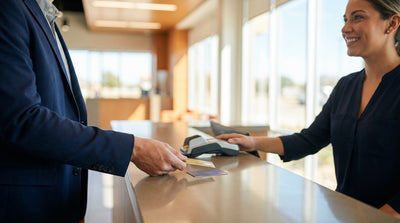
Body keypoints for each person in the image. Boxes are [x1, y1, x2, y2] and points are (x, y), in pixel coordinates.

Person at [0, 0, 187, 222]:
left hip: (59, 200)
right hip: (25, 206)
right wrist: (133, 148)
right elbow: (21, 119)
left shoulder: (44, 14)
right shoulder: (9, 7)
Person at [217, 0, 400, 219]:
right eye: (345, 19)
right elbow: (310, 139)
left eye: (357, 17)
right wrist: (252, 143)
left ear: (391, 24)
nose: (345, 28)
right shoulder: (345, 86)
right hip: (346, 213)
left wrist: (377, 218)